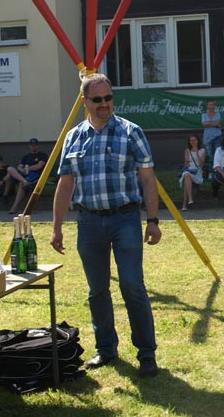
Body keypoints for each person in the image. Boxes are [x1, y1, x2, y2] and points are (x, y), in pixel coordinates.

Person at [50, 73, 161, 378]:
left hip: (125, 218)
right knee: (97, 290)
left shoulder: (131, 132)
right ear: (84, 102)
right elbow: (65, 184)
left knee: (132, 285)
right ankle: (106, 349)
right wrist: (57, 227)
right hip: (88, 222)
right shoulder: (74, 137)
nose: (104, 104)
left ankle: (146, 352)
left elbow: (148, 179)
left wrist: (152, 221)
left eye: (108, 98)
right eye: (97, 100)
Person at [6, 138, 48, 214]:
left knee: (21, 184)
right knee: (10, 169)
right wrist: (24, 170)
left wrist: (28, 168)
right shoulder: (26, 156)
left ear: (38, 145)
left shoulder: (42, 155)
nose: (33, 147)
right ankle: (24, 181)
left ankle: (14, 207)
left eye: (35, 145)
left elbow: (39, 166)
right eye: (32, 145)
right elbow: (19, 166)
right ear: (29, 146)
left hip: (35, 175)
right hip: (23, 174)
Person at [179, 135, 206, 211]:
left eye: (195, 140)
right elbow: (186, 165)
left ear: (198, 141)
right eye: (191, 140)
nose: (193, 142)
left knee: (186, 179)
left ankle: (185, 204)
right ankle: (190, 199)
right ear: (189, 142)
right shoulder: (187, 150)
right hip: (189, 170)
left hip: (197, 170)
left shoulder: (202, 150)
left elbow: (201, 165)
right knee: (187, 175)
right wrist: (186, 160)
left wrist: (197, 153)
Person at [201, 98, 222, 177]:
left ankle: (217, 172)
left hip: (217, 137)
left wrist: (208, 124)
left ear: (214, 105)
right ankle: (210, 173)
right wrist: (214, 124)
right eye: (210, 104)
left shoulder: (218, 114)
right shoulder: (203, 115)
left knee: (217, 156)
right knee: (210, 156)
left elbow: (219, 123)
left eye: (213, 104)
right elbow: (203, 124)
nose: (211, 106)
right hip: (207, 138)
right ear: (207, 106)